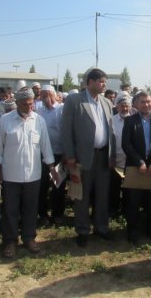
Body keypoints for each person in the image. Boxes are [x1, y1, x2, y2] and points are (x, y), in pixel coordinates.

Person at [0, 88, 57, 258]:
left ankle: (29, 238)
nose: (29, 107)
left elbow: (46, 146)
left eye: (31, 103)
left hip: (33, 174)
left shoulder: (39, 121)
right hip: (10, 174)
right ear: (17, 103)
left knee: (30, 208)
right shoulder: (5, 120)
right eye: (25, 104)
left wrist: (51, 168)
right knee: (10, 209)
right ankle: (10, 241)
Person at [61, 68, 115, 247]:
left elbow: (110, 131)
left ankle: (101, 228)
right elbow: (66, 130)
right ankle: (82, 230)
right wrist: (69, 156)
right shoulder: (74, 100)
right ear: (89, 82)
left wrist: (111, 154)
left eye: (104, 82)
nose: (104, 85)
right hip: (82, 158)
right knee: (81, 196)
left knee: (102, 195)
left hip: (103, 157)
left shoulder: (107, 102)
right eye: (101, 81)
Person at [122, 92, 151, 244]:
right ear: (136, 104)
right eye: (142, 102)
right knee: (133, 201)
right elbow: (126, 144)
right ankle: (133, 231)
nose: (146, 105)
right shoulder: (130, 121)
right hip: (136, 168)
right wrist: (139, 162)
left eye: (148, 102)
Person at [36, 85, 65, 225]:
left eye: (48, 94)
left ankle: (58, 214)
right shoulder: (38, 111)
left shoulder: (62, 109)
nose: (46, 98)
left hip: (59, 153)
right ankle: (42, 214)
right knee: (42, 186)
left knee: (58, 186)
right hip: (42, 155)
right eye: (43, 95)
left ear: (55, 95)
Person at [109, 93, 131, 218]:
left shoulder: (134, 119)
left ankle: (126, 210)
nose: (125, 109)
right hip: (115, 161)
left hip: (129, 162)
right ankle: (113, 210)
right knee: (114, 188)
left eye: (127, 106)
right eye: (122, 106)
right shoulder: (111, 121)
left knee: (128, 189)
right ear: (117, 107)